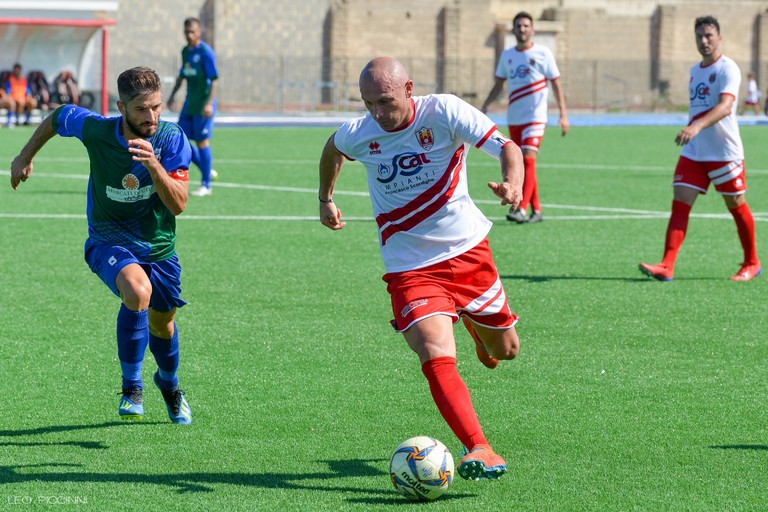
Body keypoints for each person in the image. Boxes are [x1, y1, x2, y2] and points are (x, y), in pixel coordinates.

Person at [318, 56, 525, 481]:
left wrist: (513, 183)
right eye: (369, 103)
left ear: (409, 89)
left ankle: (471, 324)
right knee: (433, 351)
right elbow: (333, 148)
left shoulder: (444, 111)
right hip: (409, 266)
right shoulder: (361, 132)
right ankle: (479, 446)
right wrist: (326, 198)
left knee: (507, 351)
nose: (378, 113)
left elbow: (508, 146)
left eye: (386, 102)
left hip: (468, 253)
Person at [10, 66, 194, 424]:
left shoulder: (171, 139)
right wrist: (25, 155)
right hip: (107, 239)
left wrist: (154, 165)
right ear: (121, 108)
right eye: (142, 109)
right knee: (137, 292)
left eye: (156, 107)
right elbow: (59, 116)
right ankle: (132, 388)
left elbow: (179, 205)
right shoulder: (97, 129)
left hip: (158, 247)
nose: (152, 116)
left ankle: (169, 385)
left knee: (164, 326)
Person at [639, 16, 760, 282]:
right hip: (695, 153)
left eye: (709, 36)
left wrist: (695, 127)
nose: (704, 41)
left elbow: (726, 106)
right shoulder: (695, 70)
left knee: (736, 204)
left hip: (724, 152)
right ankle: (667, 265)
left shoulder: (729, 68)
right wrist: (694, 133)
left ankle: (752, 262)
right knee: (680, 202)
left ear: (719, 37)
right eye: (699, 37)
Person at [480, 11, 569, 224]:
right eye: (519, 26)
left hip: (536, 117)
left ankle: (521, 207)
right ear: (514, 30)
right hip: (515, 118)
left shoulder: (543, 53)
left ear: (533, 29)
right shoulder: (508, 56)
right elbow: (499, 84)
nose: (522, 29)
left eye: (526, 26)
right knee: (524, 163)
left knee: (528, 159)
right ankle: (536, 210)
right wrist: (483, 106)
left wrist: (563, 114)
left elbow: (556, 83)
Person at [167, 17, 219, 197]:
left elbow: (214, 81)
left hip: (203, 105)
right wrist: (172, 95)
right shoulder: (185, 52)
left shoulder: (205, 52)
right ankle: (207, 168)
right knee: (180, 139)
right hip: (189, 104)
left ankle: (206, 184)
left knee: (202, 141)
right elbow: (182, 75)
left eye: (193, 32)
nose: (189, 35)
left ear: (199, 32)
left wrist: (208, 104)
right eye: (186, 32)